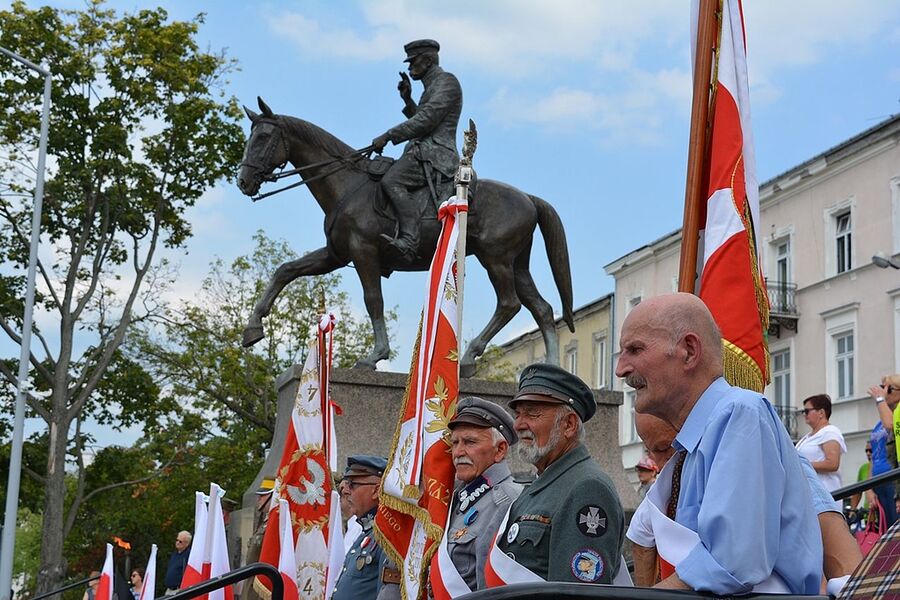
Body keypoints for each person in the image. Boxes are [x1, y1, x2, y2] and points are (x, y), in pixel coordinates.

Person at [615, 293, 822, 595]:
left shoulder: (739, 414)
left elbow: (729, 564)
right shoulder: (700, 438)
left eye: (635, 349)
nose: (621, 369)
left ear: (689, 350)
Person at [487, 363, 628, 585]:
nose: (518, 424)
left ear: (569, 424)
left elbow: (577, 593)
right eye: (518, 413)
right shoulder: (542, 483)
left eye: (532, 413)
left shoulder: (587, 488)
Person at [371, 39, 462, 263]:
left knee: (391, 180)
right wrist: (407, 100)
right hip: (424, 151)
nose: (410, 67)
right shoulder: (432, 87)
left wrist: (389, 135)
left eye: (413, 62)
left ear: (428, 60)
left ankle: (409, 240)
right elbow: (424, 119)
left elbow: (427, 121)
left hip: (437, 154)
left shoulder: (447, 82)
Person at [432, 396, 522, 594]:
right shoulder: (456, 498)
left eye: (470, 442)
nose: (458, 452)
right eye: (455, 443)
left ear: (499, 450)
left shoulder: (508, 501)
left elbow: (492, 586)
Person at [332, 455, 391, 600]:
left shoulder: (387, 537)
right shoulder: (367, 532)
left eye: (352, 484)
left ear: (376, 490)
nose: (345, 491)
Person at [795, 393, 847, 498]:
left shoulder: (830, 432)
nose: (804, 415)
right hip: (809, 492)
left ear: (821, 412)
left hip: (824, 492)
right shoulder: (808, 437)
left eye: (807, 411)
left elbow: (832, 464)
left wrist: (802, 465)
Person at [866, 374, 900, 528]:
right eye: (882, 388)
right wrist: (869, 488)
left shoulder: (892, 417)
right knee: (887, 532)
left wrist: (880, 400)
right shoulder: (879, 422)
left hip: (893, 480)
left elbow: (891, 425)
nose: (884, 392)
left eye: (889, 389)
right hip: (879, 481)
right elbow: (873, 456)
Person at [243, 477, 275, 600]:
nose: (259, 499)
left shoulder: (274, 524)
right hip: (252, 582)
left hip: (262, 584)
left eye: (263, 495)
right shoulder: (265, 522)